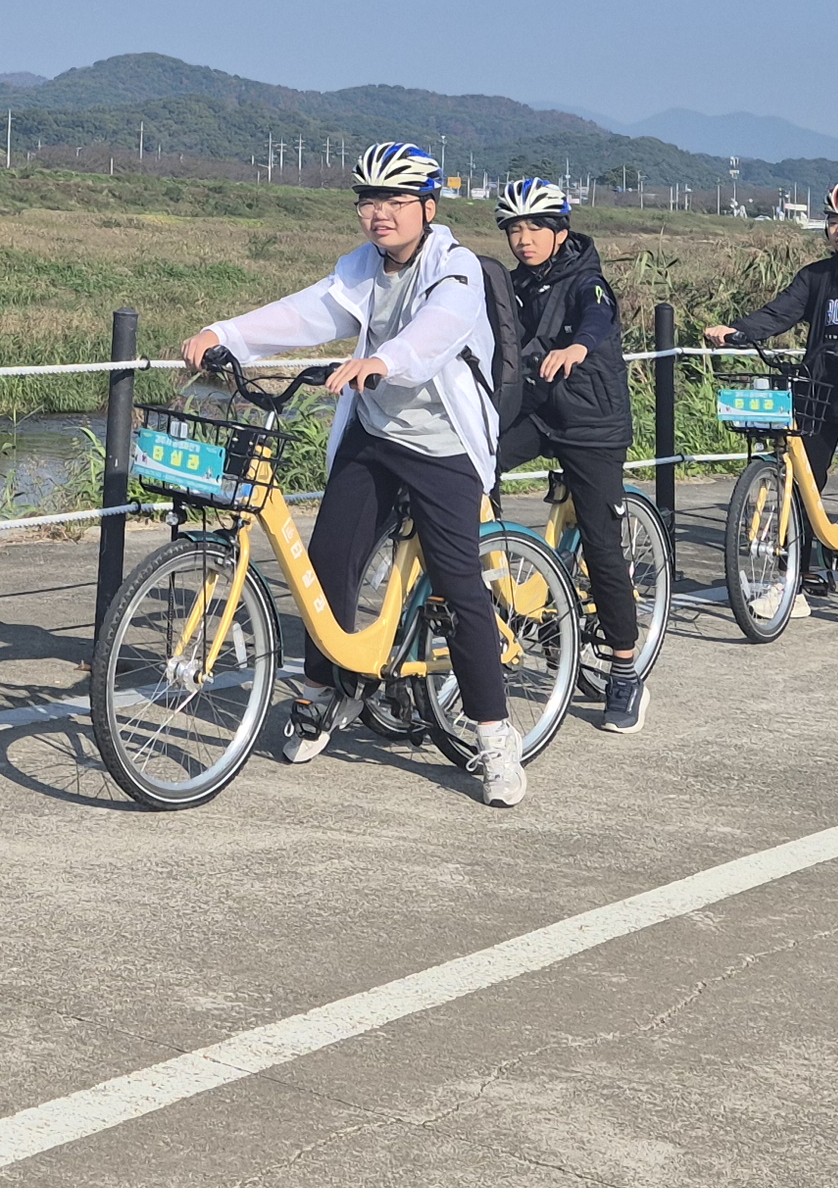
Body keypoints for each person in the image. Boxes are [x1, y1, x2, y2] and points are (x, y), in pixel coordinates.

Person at [178, 144, 526, 806]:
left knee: (460, 588)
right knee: (329, 561)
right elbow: (308, 311)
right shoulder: (362, 269)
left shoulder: (454, 269)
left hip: (443, 443)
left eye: (396, 201)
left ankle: (493, 734)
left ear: (427, 207)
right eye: (368, 201)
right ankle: (325, 694)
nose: (379, 215)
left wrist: (383, 361)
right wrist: (223, 333)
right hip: (374, 433)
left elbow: (437, 331)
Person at [705, 180, 838, 640]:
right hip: (821, 392)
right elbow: (779, 312)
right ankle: (797, 585)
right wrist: (738, 332)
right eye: (833, 221)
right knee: (804, 487)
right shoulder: (817, 276)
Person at [490, 180, 647, 729]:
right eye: (514, 228)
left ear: (561, 231)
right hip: (538, 411)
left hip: (591, 422)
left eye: (535, 227)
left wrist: (579, 345)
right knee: (473, 464)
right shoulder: (514, 285)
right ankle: (491, 587)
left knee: (603, 544)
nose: (523, 239)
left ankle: (625, 672)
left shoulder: (588, 280)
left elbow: (597, 318)